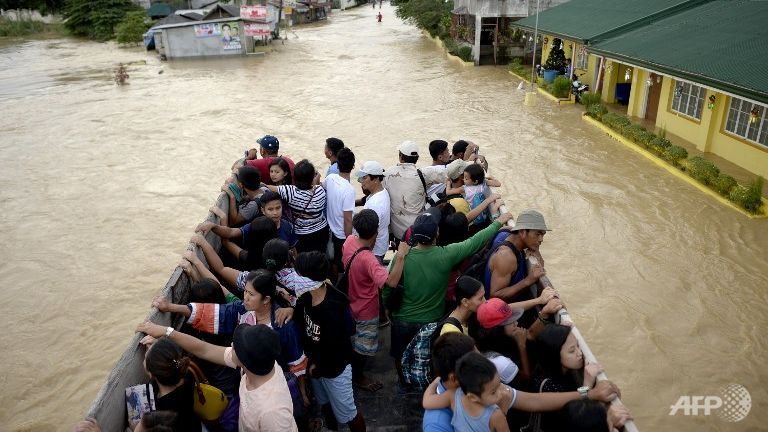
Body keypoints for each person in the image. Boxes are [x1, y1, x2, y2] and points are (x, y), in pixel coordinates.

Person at [385, 207, 513, 385]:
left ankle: (404, 385)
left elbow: (387, 288)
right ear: (437, 232)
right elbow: (475, 241)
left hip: (402, 319)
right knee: (430, 357)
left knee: (400, 354)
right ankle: (428, 385)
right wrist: (499, 222)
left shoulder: (401, 258)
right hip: (431, 321)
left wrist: (388, 311)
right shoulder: (446, 254)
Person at [136, 322, 299, 431]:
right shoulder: (261, 365)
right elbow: (204, 349)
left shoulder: (272, 413)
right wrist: (167, 332)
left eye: (236, 347)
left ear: (244, 360)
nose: (232, 346)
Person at [293, 252, 366, 432]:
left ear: (308, 279)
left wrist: (316, 369)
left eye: (298, 274)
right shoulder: (306, 297)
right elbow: (298, 315)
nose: (294, 277)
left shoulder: (333, 309)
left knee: (349, 413)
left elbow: (336, 350)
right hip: (317, 367)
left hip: (334, 370)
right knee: (325, 403)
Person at [344, 209, 409, 391]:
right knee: (363, 347)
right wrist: (402, 255)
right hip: (366, 310)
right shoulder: (369, 260)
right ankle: (358, 376)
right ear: (377, 232)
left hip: (350, 302)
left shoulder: (349, 242)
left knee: (354, 337)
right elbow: (392, 282)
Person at [530, 324, 605, 431]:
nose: (580, 353)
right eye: (571, 351)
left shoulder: (545, 367)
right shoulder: (550, 386)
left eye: (578, 346)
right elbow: (578, 418)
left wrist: (562, 331)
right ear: (554, 355)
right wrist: (587, 384)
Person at [485, 209, 550, 328]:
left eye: (543, 234)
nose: (541, 239)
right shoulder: (506, 257)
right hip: (498, 321)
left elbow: (540, 268)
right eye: (538, 234)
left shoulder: (506, 234)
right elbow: (495, 295)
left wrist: (537, 251)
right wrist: (528, 281)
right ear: (522, 232)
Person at [196, 191, 298, 254]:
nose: (275, 213)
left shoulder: (288, 227)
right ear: (263, 211)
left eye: (278, 208)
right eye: (270, 209)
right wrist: (213, 226)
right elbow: (231, 232)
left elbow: (293, 249)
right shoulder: (256, 226)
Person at [384, 141, 447, 240]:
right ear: (417, 158)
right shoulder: (424, 174)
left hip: (397, 233)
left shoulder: (388, 173)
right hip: (418, 230)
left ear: (401, 156)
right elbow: (450, 172)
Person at [265, 159, 329, 254]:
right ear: (312, 177)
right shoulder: (320, 190)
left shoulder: (291, 192)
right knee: (320, 258)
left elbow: (268, 187)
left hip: (303, 234)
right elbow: (314, 187)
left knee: (305, 261)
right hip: (322, 231)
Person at [143, 338, 201, 432]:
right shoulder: (187, 375)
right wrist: (158, 350)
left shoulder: (161, 408)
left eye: (145, 358)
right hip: (193, 426)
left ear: (150, 374)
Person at [324, 147, 356, 275]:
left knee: (333, 261)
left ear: (337, 165)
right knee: (341, 263)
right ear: (353, 166)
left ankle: (334, 281)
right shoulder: (349, 190)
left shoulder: (330, 178)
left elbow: (322, 188)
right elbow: (348, 219)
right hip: (341, 235)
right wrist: (349, 241)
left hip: (329, 229)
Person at [355, 160, 390, 261]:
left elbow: (373, 233)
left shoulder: (376, 204)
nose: (361, 181)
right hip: (379, 247)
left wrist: (366, 254)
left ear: (376, 179)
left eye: (364, 177)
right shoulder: (380, 192)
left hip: (373, 252)